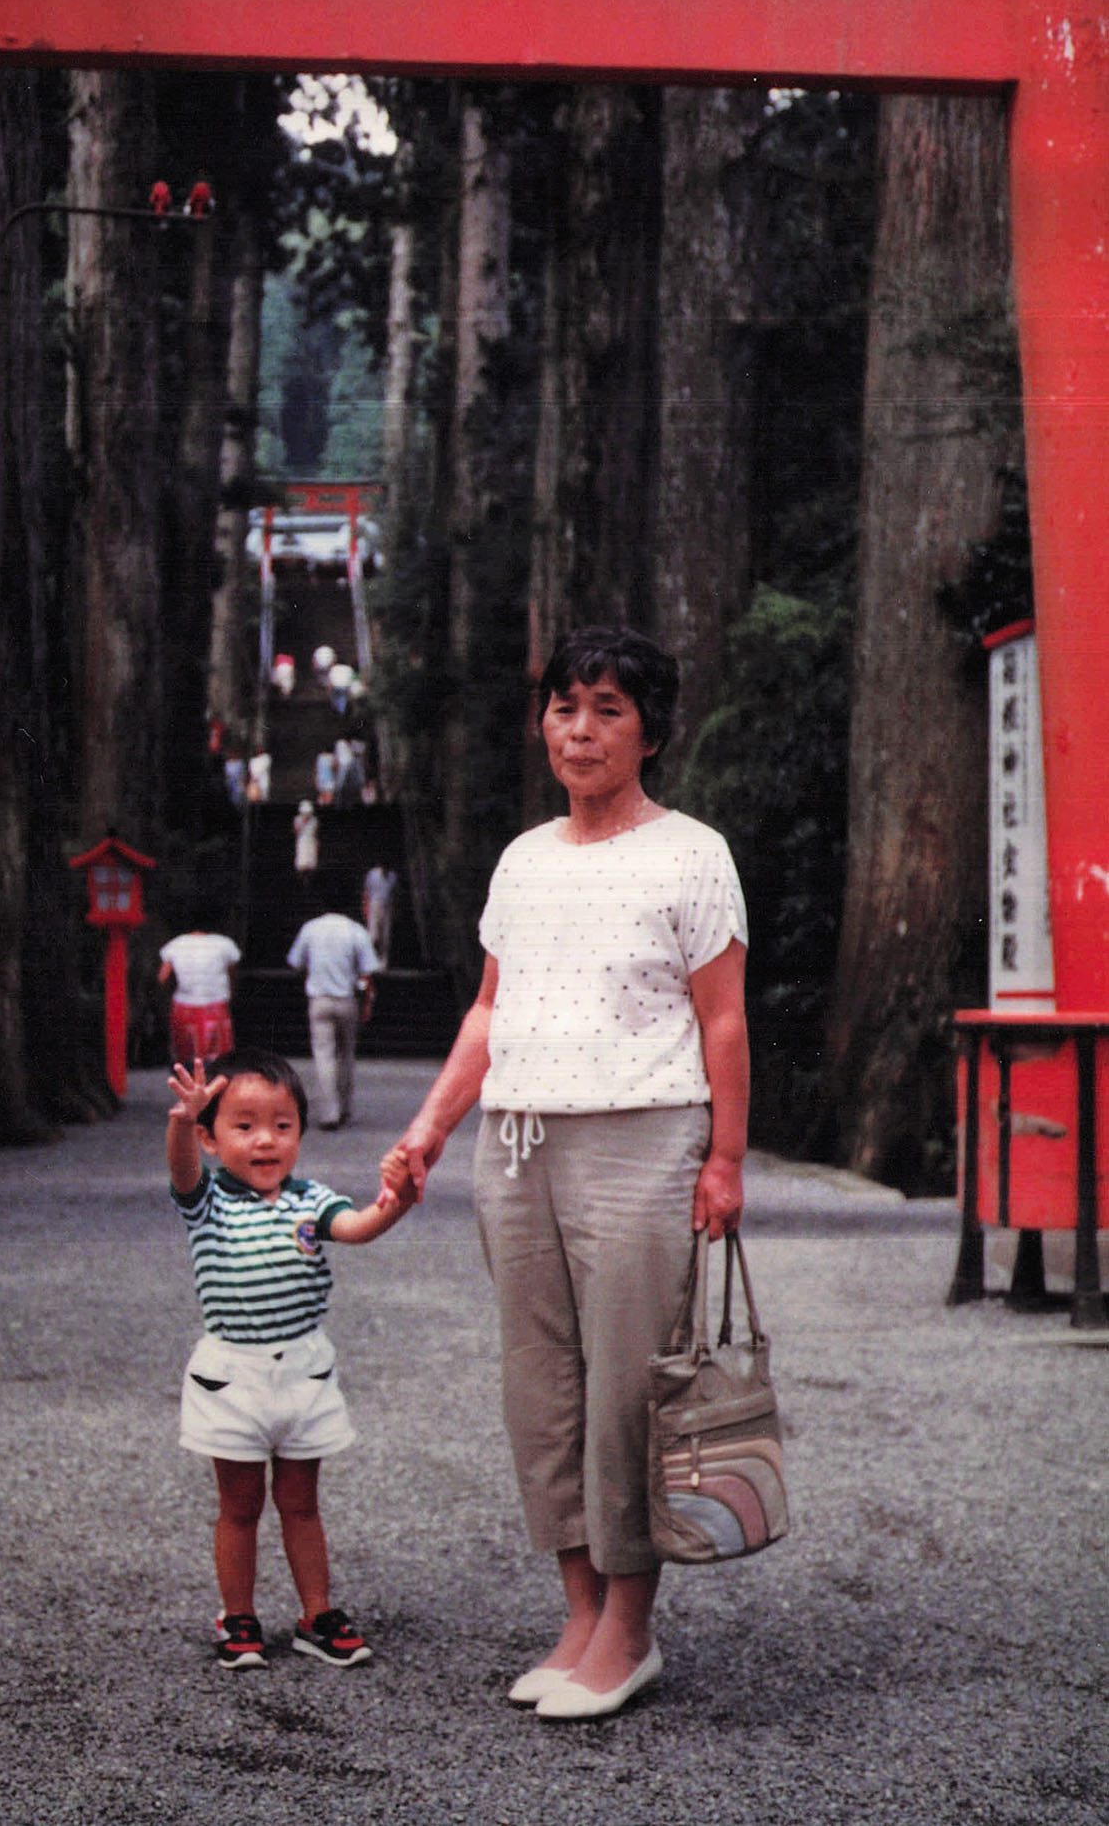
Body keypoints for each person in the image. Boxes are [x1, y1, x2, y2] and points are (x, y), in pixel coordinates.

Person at [393, 624, 749, 1723]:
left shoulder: (690, 851)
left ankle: (629, 1630)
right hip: (516, 1145)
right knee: (539, 1382)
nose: (579, 728)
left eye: (605, 708)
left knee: (627, 1379)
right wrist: (428, 1125)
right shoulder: (523, 857)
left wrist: (725, 1156)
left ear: (648, 730)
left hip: (642, 1140)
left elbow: (722, 1017)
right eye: (562, 706)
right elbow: (489, 1011)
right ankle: (579, 1609)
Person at [167, 1049, 417, 1670]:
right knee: (240, 1506)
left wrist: (400, 1199)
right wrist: (178, 1122)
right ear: (209, 1137)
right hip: (232, 1375)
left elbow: (357, 1227)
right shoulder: (209, 1202)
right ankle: (239, 1616)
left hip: (304, 1369)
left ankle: (316, 1611)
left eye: (283, 1125)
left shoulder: (311, 1200)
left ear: (301, 1134)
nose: (265, 1140)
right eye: (243, 1125)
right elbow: (180, 1174)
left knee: (303, 1502)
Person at [286, 900, 380, 1130]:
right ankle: (346, 1107)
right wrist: (367, 1003)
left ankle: (329, 1112)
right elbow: (367, 973)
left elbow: (295, 962)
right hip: (347, 999)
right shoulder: (356, 931)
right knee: (347, 1054)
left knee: (324, 1056)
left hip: (319, 999)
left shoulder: (310, 928)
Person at [159, 921, 242, 1068]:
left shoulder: (176, 944)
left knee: (185, 1057)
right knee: (218, 1057)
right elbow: (233, 973)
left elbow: (163, 977)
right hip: (215, 1004)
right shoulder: (224, 944)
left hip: (184, 1005)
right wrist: (231, 991)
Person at [362, 863, 396, 971]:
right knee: (373, 936)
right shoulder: (372, 874)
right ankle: (370, 962)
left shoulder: (393, 876)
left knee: (385, 936)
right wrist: (366, 908)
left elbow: (395, 894)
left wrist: (395, 909)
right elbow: (366, 893)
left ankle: (383, 963)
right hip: (374, 905)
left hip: (387, 906)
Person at [292, 799, 319, 878]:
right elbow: (296, 831)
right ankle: (300, 876)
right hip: (302, 840)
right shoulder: (297, 819)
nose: (307, 815)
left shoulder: (314, 820)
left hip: (310, 840)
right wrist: (303, 823)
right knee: (302, 859)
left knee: (311, 860)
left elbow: (315, 831)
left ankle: (310, 876)